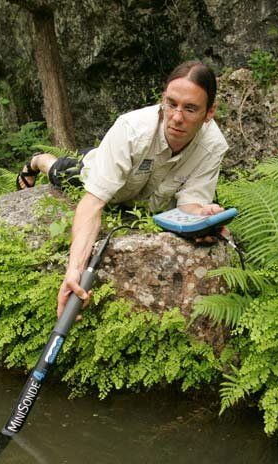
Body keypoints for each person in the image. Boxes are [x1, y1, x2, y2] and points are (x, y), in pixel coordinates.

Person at [16, 60, 229, 317]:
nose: (176, 117)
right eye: (171, 103)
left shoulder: (213, 146)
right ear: (163, 98)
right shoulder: (131, 130)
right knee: (61, 172)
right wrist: (74, 271)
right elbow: (92, 204)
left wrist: (203, 217)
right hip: (96, 170)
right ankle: (38, 159)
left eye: (191, 109)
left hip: (141, 196)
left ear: (210, 112)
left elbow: (190, 203)